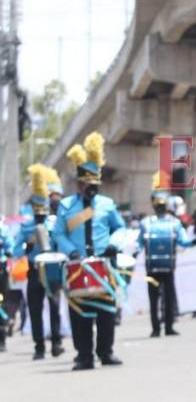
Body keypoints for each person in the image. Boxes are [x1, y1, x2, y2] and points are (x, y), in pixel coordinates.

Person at [55, 132, 125, 371]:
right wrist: (70, 251)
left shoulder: (106, 204)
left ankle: (106, 352)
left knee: (106, 310)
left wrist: (113, 245)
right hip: (77, 265)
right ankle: (84, 355)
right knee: (80, 311)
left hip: (103, 264)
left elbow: (120, 228)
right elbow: (58, 234)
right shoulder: (66, 206)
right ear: (79, 184)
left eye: (95, 185)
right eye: (88, 185)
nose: (91, 189)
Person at [13, 165, 66, 359]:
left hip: (51, 270)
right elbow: (16, 250)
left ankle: (57, 342)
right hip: (34, 270)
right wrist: (28, 245)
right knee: (35, 309)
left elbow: (61, 245)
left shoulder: (54, 223)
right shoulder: (27, 226)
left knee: (54, 306)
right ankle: (39, 346)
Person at [138, 172, 195, 338]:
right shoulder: (146, 223)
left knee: (167, 298)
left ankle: (167, 326)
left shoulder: (174, 222)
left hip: (167, 266)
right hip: (153, 267)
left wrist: (195, 241)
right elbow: (139, 243)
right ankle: (157, 328)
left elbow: (184, 241)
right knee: (156, 299)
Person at [0, 219, 13, 353]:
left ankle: (2, 338)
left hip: (1, 271)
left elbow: (11, 246)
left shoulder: (2, 229)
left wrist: (8, 250)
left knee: (1, 302)